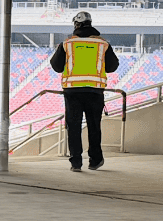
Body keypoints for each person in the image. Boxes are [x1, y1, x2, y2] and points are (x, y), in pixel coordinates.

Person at [50, 11, 118, 172]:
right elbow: (112, 66)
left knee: (73, 127)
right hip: (95, 92)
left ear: (76, 24)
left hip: (73, 92)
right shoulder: (103, 44)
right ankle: (95, 160)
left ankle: (76, 162)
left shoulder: (67, 44)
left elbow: (56, 66)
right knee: (94, 126)